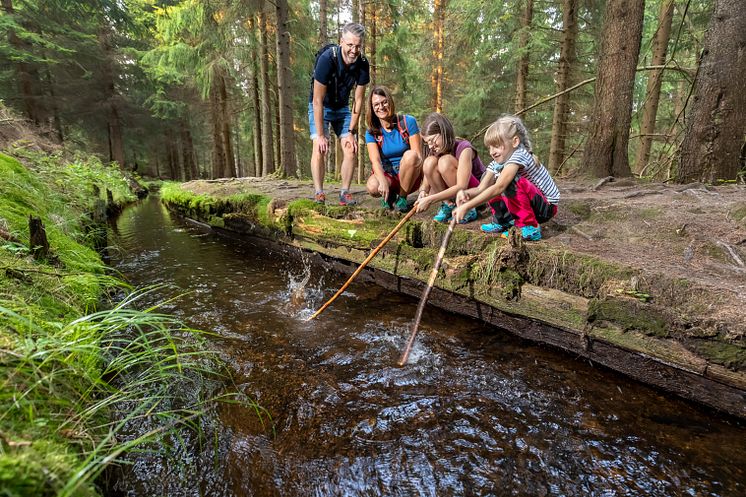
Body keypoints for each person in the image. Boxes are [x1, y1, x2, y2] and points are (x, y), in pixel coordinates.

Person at [452, 115, 559, 241]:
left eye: (497, 145)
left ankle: (530, 226)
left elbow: (500, 187)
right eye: (490, 147)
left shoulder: (519, 155)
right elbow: (481, 188)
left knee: (508, 182)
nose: (492, 152)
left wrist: (468, 206)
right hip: (532, 203)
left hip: (546, 207)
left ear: (515, 142)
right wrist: (466, 194)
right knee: (492, 179)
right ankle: (503, 220)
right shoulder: (498, 162)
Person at [309, 23, 370, 205]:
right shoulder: (327, 59)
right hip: (321, 105)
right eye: (350, 45)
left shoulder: (362, 64)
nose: (354, 50)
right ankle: (319, 192)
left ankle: (344, 193)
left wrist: (351, 131)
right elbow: (317, 100)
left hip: (342, 107)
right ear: (341, 41)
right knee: (319, 147)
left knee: (350, 148)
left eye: (358, 46)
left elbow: (358, 100)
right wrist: (320, 135)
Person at [415, 113, 486, 223]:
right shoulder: (435, 151)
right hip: (456, 195)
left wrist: (430, 199)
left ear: (444, 132)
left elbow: (462, 185)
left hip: (477, 192)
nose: (430, 146)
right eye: (427, 143)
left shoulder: (464, 148)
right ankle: (448, 205)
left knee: (445, 161)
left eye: (432, 140)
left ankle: (468, 208)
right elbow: (425, 184)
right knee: (429, 162)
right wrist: (423, 192)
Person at [364, 86, 423, 212]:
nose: (381, 107)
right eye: (376, 104)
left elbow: (418, 156)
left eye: (384, 102)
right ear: (372, 108)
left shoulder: (408, 122)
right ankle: (389, 194)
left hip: (409, 175)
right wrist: (382, 181)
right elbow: (375, 161)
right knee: (373, 186)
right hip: (388, 175)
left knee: (411, 155)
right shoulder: (371, 133)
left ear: (390, 101)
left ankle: (402, 198)